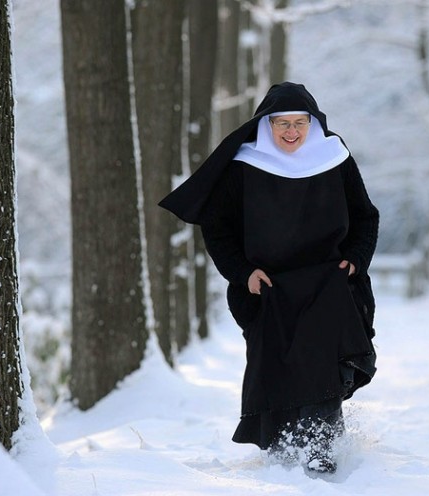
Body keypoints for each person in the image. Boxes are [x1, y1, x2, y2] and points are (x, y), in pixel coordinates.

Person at [159, 82, 378, 474]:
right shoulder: (245, 166)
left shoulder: (334, 158)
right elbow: (218, 227)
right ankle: (283, 454)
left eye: (299, 123)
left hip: (328, 285)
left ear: (313, 125)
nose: (291, 132)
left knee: (323, 366)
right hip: (269, 289)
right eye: (282, 124)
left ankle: (319, 452)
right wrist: (243, 273)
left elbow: (365, 217)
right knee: (278, 368)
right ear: (266, 125)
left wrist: (356, 261)